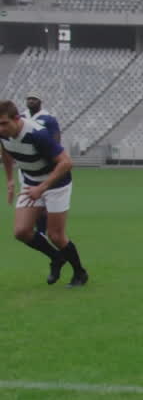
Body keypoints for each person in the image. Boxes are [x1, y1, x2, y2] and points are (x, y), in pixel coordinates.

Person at [0, 99, 88, 287]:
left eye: (4, 123)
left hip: (56, 183)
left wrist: (42, 188)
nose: (1, 129)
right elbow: (6, 154)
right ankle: (56, 258)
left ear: (16, 118)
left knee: (56, 235)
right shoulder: (3, 134)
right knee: (21, 231)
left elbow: (66, 162)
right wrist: (9, 181)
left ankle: (80, 273)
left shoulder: (36, 134)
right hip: (32, 182)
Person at [25, 95, 59, 240]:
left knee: (43, 198)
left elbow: (56, 139)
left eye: (34, 99)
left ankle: (42, 230)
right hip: (26, 164)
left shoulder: (48, 119)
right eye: (29, 99)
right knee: (30, 197)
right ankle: (35, 228)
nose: (30, 101)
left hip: (43, 165)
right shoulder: (21, 117)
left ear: (40, 102)